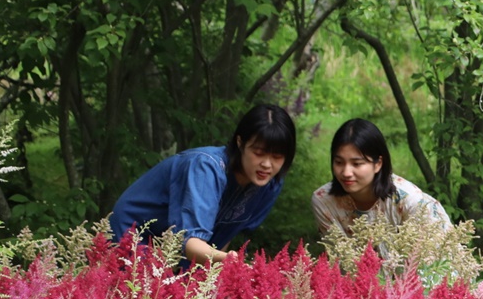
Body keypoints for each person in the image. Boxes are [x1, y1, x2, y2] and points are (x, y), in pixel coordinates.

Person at [109, 103, 296, 265]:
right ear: (240, 143)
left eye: (277, 157)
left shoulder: (270, 184)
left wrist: (217, 268)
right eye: (259, 153)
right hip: (134, 234)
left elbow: (223, 237)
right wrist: (229, 260)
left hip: (178, 250)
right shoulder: (206, 167)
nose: (267, 164)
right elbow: (191, 243)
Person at [312, 118, 452, 239]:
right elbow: (338, 259)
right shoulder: (324, 201)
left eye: (357, 164)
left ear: (378, 164)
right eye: (339, 162)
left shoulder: (410, 201)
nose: (346, 172)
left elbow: (432, 262)